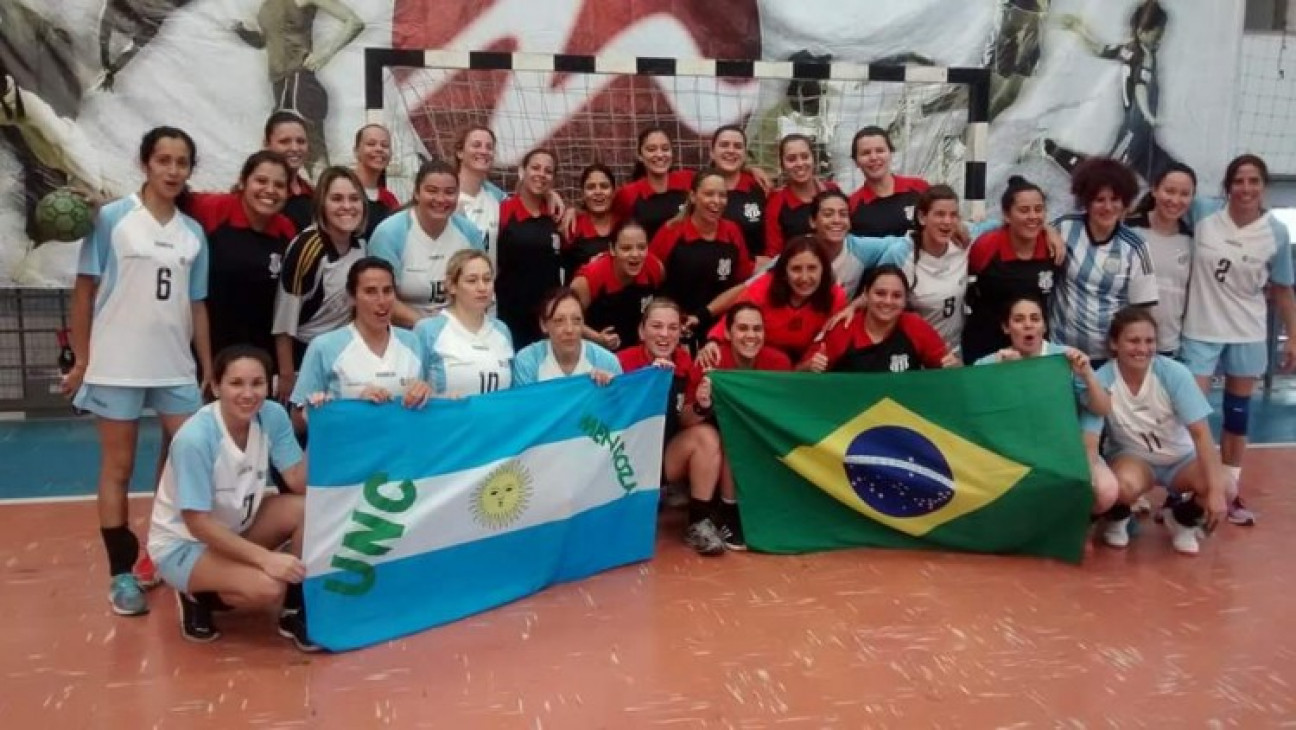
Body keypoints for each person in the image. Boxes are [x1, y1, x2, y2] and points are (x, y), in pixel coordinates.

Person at [63, 126, 211, 616]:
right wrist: (83, 360)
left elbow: (199, 305)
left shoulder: (193, 233)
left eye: (182, 162)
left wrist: (206, 367)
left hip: (174, 367)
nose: (172, 170)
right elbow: (84, 291)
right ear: (146, 163)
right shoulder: (111, 219)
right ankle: (121, 574)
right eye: (164, 160)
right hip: (116, 365)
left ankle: (169, 552)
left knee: (191, 459)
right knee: (120, 468)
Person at [147, 345, 317, 650]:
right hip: (184, 543)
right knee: (268, 587)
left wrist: (320, 424)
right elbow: (197, 523)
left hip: (235, 526)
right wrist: (266, 559)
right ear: (216, 387)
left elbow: (298, 482)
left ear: (269, 385)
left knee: (307, 509)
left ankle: (295, 607)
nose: (248, 394)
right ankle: (197, 593)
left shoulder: (272, 416)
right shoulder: (195, 438)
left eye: (257, 383)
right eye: (236, 383)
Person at [1182, 154, 1296, 526]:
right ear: (1227, 185)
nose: (1246, 188)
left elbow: (1283, 289)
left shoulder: (1275, 232)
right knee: (1191, 415)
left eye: (1254, 181)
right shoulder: (1202, 212)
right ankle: (1188, 488)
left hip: (1247, 330)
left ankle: (1230, 488)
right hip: (1201, 327)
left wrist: (1293, 337)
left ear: (1264, 186)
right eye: (1239, 181)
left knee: (1236, 413)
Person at [1085, 308, 1229, 554]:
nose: (1142, 349)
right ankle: (1118, 515)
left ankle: (1182, 519)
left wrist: (1216, 493)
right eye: (1133, 340)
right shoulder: (1101, 380)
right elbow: (1089, 441)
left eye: (1149, 341)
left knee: (1226, 485)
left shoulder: (1174, 374)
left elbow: (1202, 435)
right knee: (1119, 485)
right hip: (1133, 460)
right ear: (1114, 344)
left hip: (1182, 460)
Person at [974, 296, 1118, 518]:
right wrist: (1001, 378)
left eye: (1035, 318)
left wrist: (1088, 375)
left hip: (1063, 452)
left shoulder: (1066, 359)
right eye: (1019, 320)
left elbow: (1102, 409)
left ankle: (1075, 522)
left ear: (1044, 325)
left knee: (1106, 492)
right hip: (1011, 453)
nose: (1028, 325)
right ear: (1006, 327)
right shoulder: (987, 366)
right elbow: (980, 419)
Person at [616, 299, 725, 556]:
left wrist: (701, 405)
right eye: (657, 326)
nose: (665, 334)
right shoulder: (621, 362)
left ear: (680, 332)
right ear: (642, 331)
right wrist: (650, 383)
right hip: (621, 459)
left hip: (662, 459)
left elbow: (685, 420)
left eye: (672, 327)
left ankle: (698, 523)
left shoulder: (686, 364)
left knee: (706, 437)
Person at [684, 303, 792, 550]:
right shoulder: (711, 360)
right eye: (742, 328)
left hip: (760, 441)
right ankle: (727, 512)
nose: (751, 336)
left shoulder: (778, 362)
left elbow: (785, 411)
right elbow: (684, 421)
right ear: (728, 333)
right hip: (714, 447)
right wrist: (703, 404)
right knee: (729, 435)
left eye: (757, 329)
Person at [187, 151, 296, 383]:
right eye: (261, 181)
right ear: (243, 182)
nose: (270, 190)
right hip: (208, 355)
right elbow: (165, 198)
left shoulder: (286, 231)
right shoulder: (214, 209)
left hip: (259, 359)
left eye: (279, 185)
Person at [1042, 1, 1179, 181]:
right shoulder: (1142, 56)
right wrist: (1148, 114)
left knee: (1162, 173)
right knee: (1108, 176)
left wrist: (1079, 29)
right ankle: (1054, 152)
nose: (1159, 39)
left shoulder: (1129, 50)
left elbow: (1101, 49)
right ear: (1141, 31)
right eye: (1156, 34)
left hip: (1141, 131)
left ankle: (1054, 151)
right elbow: (1140, 88)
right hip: (1135, 129)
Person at [290, 258, 431, 432]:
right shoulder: (324, 346)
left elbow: (425, 409)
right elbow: (297, 421)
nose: (381, 300)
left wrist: (425, 393)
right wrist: (348, 406)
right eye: (370, 292)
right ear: (352, 297)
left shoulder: (412, 341)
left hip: (402, 452)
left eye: (387, 291)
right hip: (350, 451)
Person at [233, 0, 365, 177]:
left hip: (300, 80)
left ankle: (325, 200)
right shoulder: (266, 5)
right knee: (280, 156)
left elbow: (354, 22)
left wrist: (324, 55)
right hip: (279, 86)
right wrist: (242, 31)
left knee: (314, 154)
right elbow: (267, 41)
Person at [1048, 157, 1157, 364]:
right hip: (1060, 352)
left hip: (1108, 358)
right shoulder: (1065, 228)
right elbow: (1028, 228)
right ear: (1086, 202)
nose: (1107, 207)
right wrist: (1047, 230)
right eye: (1099, 199)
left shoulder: (1136, 246)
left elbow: (1142, 311)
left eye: (1115, 199)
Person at [272, 166, 368, 399]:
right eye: (337, 199)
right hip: (303, 354)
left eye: (354, 199)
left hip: (342, 350)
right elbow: (283, 322)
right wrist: (287, 375)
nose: (347, 206)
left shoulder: (361, 246)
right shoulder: (307, 248)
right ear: (321, 205)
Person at [369, 159, 484, 327]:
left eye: (449, 192)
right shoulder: (389, 234)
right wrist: (426, 327)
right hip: (403, 332)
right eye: (432, 191)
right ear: (416, 192)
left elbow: (481, 288)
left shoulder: (469, 232)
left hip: (457, 329)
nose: (440, 199)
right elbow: (378, 297)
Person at [700, 235, 847, 362]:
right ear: (784, 272)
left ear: (824, 269)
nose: (804, 278)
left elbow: (828, 342)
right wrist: (713, 341)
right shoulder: (765, 286)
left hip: (808, 366)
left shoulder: (835, 296)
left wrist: (802, 368)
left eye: (812, 268)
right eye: (796, 269)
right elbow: (736, 316)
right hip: (762, 357)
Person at [649, 168, 753, 346]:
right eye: (709, 194)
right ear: (693, 196)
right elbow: (650, 279)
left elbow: (742, 284)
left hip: (719, 330)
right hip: (676, 330)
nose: (716, 201)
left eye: (722, 195)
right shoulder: (671, 231)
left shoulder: (732, 232)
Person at [962, 175, 1059, 362]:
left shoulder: (1053, 248)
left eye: (1039, 210)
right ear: (1007, 215)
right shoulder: (986, 247)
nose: (1032, 216)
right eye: (1024, 210)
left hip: (1032, 346)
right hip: (985, 344)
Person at [803, 265, 956, 373]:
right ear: (866, 294)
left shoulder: (915, 326)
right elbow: (799, 374)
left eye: (896, 296)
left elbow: (950, 370)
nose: (888, 301)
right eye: (880, 293)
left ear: (905, 301)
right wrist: (810, 367)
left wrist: (954, 365)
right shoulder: (843, 328)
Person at [414, 250, 514, 397]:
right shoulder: (428, 330)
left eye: (487, 279)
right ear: (452, 286)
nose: (482, 288)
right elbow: (412, 390)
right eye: (472, 280)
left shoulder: (502, 330)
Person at [1125, 163, 1195, 357]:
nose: (1175, 200)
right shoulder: (1129, 230)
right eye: (1169, 191)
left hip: (1168, 345)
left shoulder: (1191, 241)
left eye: (1184, 194)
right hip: (1128, 343)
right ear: (1155, 190)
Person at [496, 148, 563, 348]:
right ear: (521, 171)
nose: (541, 174)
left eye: (548, 171)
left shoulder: (557, 214)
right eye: (535, 168)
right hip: (509, 317)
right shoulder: (503, 210)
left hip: (546, 320)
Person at [571, 220, 665, 353]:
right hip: (596, 353)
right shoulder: (590, 278)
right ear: (612, 249)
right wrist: (597, 338)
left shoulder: (655, 268)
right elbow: (568, 319)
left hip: (638, 352)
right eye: (626, 248)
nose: (635, 255)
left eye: (641, 247)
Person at [512, 289, 621, 386]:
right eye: (559, 320)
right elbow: (525, 407)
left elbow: (620, 405)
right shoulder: (528, 361)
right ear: (543, 325)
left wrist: (610, 389)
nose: (569, 330)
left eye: (576, 320)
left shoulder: (607, 362)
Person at [613, 126, 695, 242]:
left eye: (665, 149)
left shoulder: (689, 180)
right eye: (651, 149)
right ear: (640, 155)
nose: (660, 155)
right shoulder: (627, 194)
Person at [847, 126, 929, 238]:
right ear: (856, 161)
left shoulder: (920, 188)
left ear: (891, 153)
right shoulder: (852, 205)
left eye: (880, 150)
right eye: (866, 153)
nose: (874, 157)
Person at [764, 134, 837, 258]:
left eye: (805, 157)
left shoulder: (833, 190)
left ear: (813, 158)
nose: (800, 163)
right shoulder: (776, 203)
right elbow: (774, 255)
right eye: (791, 159)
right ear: (782, 165)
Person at [95, 0, 193, 91]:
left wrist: (108, 65)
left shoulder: (117, 6)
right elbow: (131, 50)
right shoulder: (149, 26)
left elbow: (105, 30)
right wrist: (110, 69)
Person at [708, 125, 768, 260]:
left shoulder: (760, 187)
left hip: (753, 275)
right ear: (711, 152)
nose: (731, 150)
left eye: (738, 146)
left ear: (745, 153)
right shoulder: (697, 187)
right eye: (724, 145)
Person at [454, 124, 507, 258]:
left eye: (489, 147)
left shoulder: (497, 196)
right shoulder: (444, 196)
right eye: (476, 145)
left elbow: (526, 203)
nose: (483, 151)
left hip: (486, 278)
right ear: (460, 152)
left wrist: (549, 195)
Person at [260, 111, 316, 232]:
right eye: (285, 141)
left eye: (301, 141)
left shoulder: (313, 194)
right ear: (266, 144)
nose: (295, 148)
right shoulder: (257, 194)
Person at [563, 164, 617, 281]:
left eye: (604, 186)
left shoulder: (625, 225)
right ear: (582, 194)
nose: (598, 192)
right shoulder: (571, 226)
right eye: (591, 187)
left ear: (613, 192)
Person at [351, 123, 400, 239]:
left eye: (385, 145)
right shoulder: (342, 192)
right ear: (356, 151)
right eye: (371, 144)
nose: (379, 149)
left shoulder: (390, 200)